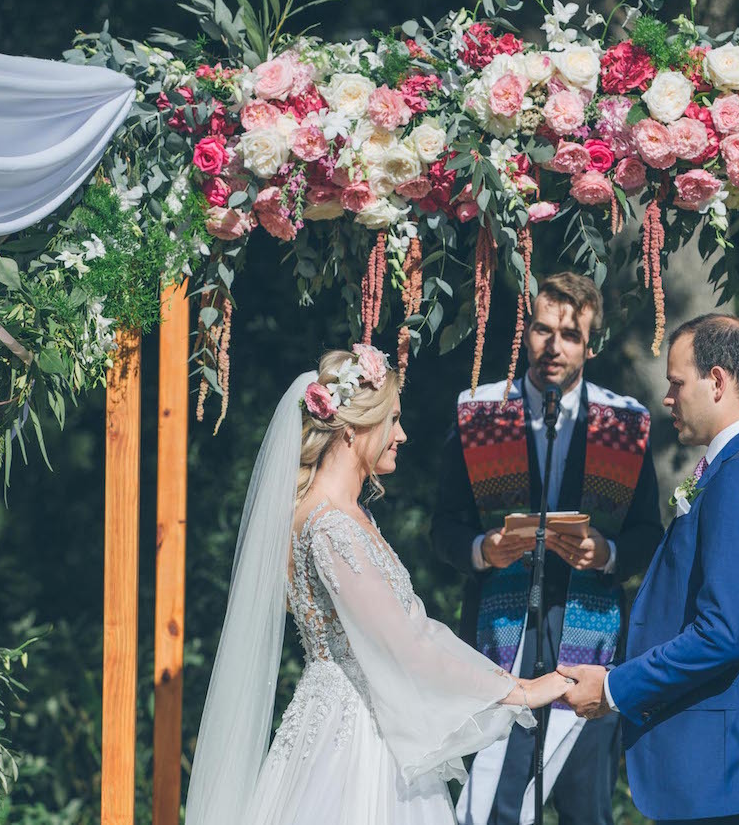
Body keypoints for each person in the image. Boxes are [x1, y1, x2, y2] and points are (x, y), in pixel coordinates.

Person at [184, 346, 573, 825]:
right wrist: (518, 691)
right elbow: (404, 645)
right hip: (356, 741)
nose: (402, 435)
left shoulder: (346, 516)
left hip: (353, 720)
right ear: (351, 428)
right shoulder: (332, 527)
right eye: (392, 420)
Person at [430, 272, 663, 825]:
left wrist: (604, 554)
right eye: (541, 329)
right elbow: (443, 526)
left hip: (591, 640)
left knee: (586, 810)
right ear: (526, 331)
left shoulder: (622, 424)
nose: (553, 347)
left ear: (591, 344)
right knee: (495, 808)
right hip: (500, 638)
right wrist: (483, 549)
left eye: (570, 335)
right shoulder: (482, 412)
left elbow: (648, 534)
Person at [560, 314, 739, 825]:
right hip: (718, 769)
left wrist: (613, 690)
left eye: (677, 383)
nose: (668, 398)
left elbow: (722, 633)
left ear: (716, 381)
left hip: (722, 771)